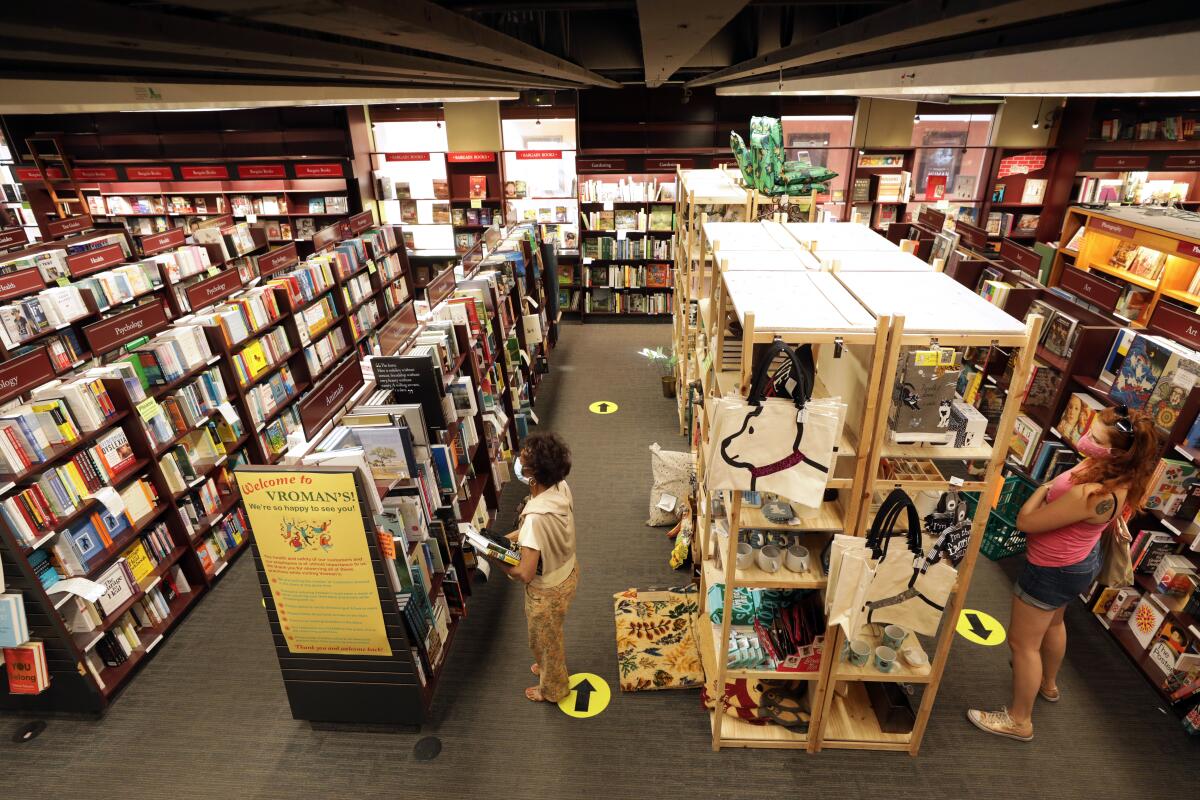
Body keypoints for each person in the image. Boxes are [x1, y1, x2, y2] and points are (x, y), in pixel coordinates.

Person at [968, 405, 1159, 741]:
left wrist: (1041, 491)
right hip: (1079, 563)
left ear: (1115, 451)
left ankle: (1019, 720)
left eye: (1096, 437)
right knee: (1055, 622)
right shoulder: (1114, 473)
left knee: (1022, 644)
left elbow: (1026, 522)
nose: (1087, 439)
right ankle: (1048, 684)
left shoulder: (1092, 494)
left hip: (1050, 569)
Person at [494, 433, 578, 703]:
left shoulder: (534, 519)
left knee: (546, 641)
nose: (519, 458)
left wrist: (494, 555)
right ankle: (545, 665)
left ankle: (553, 689)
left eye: (524, 458)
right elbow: (535, 531)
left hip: (547, 591)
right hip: (568, 570)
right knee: (547, 636)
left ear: (533, 473)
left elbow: (524, 573)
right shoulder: (561, 487)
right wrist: (507, 539)